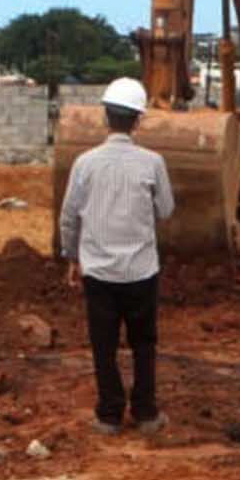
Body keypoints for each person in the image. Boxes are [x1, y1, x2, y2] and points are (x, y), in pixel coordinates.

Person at [59, 78, 174, 435]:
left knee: (103, 345)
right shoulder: (153, 163)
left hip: (99, 273)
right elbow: (166, 210)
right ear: (138, 120)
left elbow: (68, 216)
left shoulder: (85, 164)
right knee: (144, 344)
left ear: (106, 117)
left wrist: (72, 257)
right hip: (141, 271)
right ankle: (145, 412)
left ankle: (109, 414)